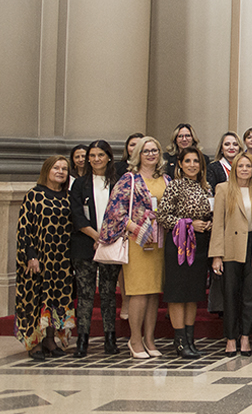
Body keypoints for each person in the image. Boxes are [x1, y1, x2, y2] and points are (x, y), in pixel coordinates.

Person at [99, 136, 168, 358]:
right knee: (138, 292)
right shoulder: (129, 180)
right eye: (146, 150)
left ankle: (150, 339)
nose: (151, 154)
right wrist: (137, 229)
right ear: (138, 154)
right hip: (138, 243)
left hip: (159, 243)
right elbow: (115, 212)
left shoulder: (166, 180)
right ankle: (135, 339)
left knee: (153, 293)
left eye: (154, 150)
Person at [16, 156, 75, 361]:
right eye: (56, 168)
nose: (60, 171)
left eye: (65, 169)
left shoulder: (68, 197)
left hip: (61, 260)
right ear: (47, 170)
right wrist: (30, 256)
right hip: (38, 259)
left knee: (57, 299)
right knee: (36, 300)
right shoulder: (34, 195)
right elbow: (24, 229)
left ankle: (50, 339)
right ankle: (34, 343)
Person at [157, 146, 214, 358]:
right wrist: (189, 224)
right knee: (178, 294)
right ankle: (180, 342)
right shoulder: (175, 186)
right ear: (180, 164)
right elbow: (162, 216)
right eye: (188, 161)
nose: (192, 165)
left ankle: (190, 339)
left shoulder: (206, 187)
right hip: (179, 245)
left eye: (196, 161)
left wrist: (208, 224)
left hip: (200, 245)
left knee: (193, 294)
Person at [68, 140, 121, 356]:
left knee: (108, 293)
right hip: (85, 245)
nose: (96, 159)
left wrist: (107, 237)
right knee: (86, 293)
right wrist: (95, 235)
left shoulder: (117, 182)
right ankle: (82, 338)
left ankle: (110, 338)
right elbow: (76, 214)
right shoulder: (79, 184)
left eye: (101, 155)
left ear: (108, 157)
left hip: (111, 244)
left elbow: (122, 212)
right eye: (92, 155)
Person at [210, 150, 252, 357]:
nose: (245, 170)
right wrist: (216, 255)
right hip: (231, 246)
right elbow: (218, 224)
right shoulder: (223, 189)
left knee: (251, 295)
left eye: (248, 166)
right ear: (234, 169)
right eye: (241, 166)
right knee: (230, 294)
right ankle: (231, 338)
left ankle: (246, 337)